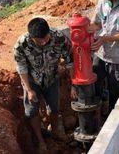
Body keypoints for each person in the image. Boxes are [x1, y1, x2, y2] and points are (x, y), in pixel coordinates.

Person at [13, 17, 74, 152]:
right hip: (32, 81)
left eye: (46, 38)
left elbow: (70, 60)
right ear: (32, 37)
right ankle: (40, 141)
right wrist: (29, 90)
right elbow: (21, 67)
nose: (44, 42)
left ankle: (55, 130)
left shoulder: (59, 38)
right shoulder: (22, 44)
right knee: (32, 111)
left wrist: (74, 84)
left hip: (52, 79)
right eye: (39, 40)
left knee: (54, 107)